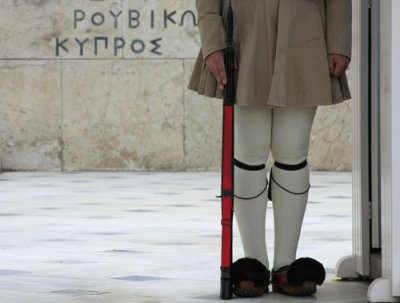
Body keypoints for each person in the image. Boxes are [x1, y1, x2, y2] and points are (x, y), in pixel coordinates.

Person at [189, 0, 352, 298]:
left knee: (292, 154)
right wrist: (212, 44)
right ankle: (254, 264)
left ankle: (286, 265)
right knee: (250, 154)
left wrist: (339, 42)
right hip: (245, 40)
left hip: (304, 37)